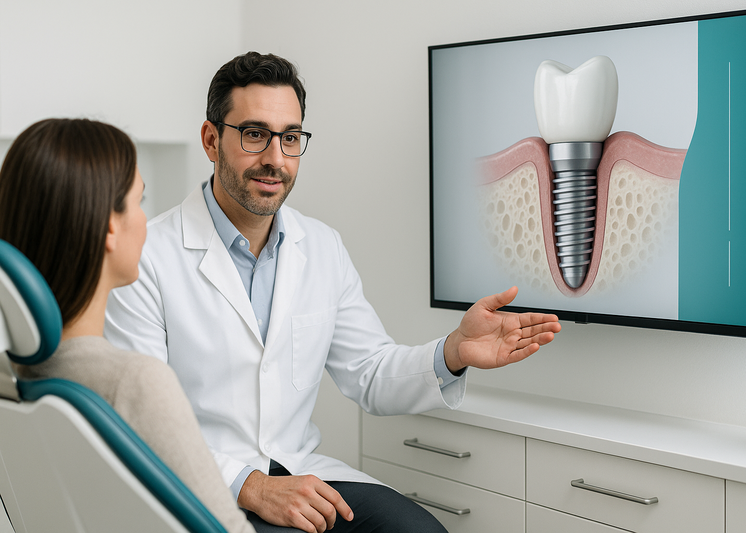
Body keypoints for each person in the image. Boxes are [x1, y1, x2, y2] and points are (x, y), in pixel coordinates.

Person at [105, 51, 562, 533]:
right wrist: (252, 486)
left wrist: (453, 352)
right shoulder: (146, 256)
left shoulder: (321, 247)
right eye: (255, 134)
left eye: (290, 138)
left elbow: (369, 372)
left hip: (298, 471)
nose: (275, 159)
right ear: (211, 140)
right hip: (198, 486)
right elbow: (140, 420)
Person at [0, 118, 255, 533]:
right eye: (140, 200)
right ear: (109, 225)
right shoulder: (135, 381)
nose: (145, 219)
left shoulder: (12, 374)